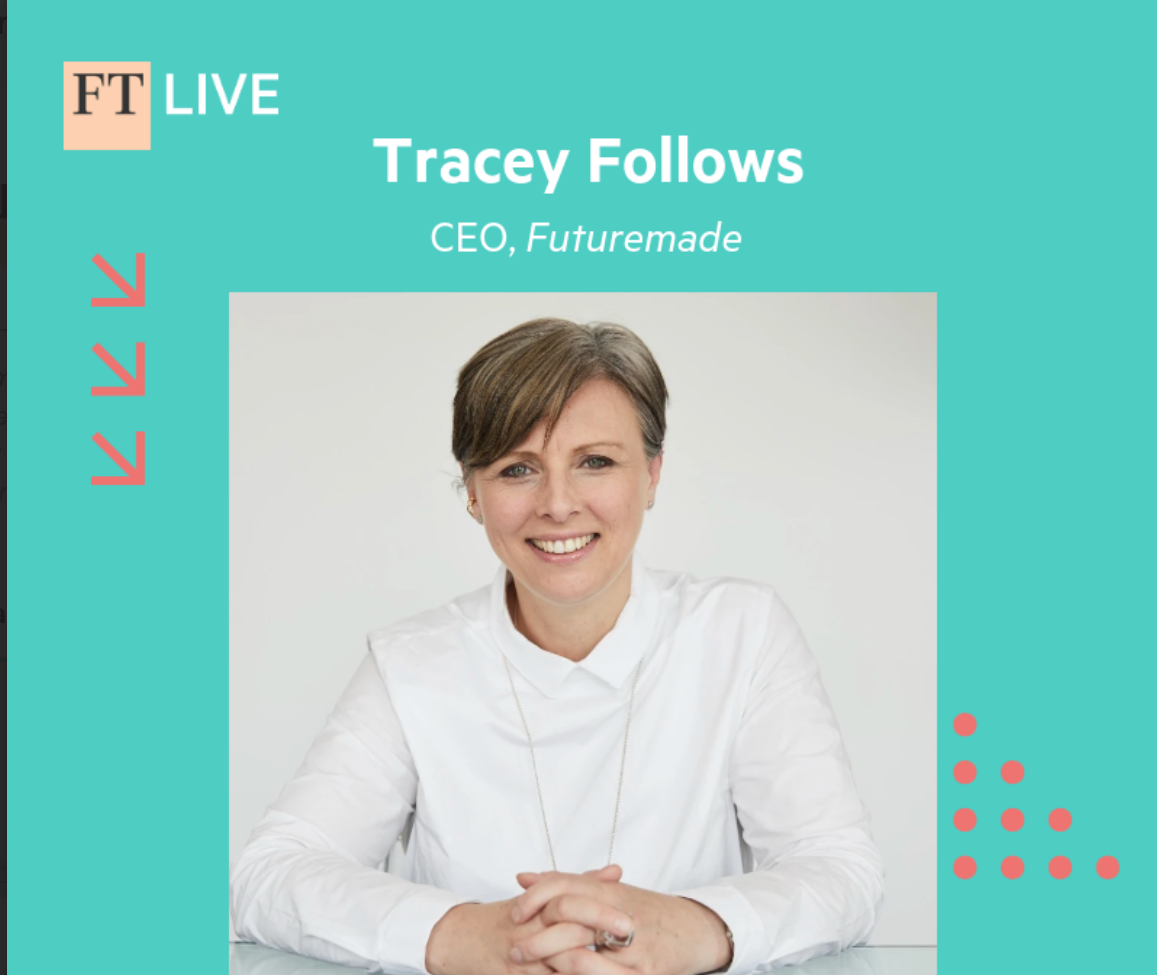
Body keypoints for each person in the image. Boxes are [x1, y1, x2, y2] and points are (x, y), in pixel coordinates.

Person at [230, 318, 885, 975]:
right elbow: (270, 873)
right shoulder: (410, 664)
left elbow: (838, 869)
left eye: (594, 461)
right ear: (472, 493)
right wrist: (468, 936)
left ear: (652, 473)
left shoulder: (741, 631)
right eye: (518, 468)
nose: (558, 503)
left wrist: (689, 928)